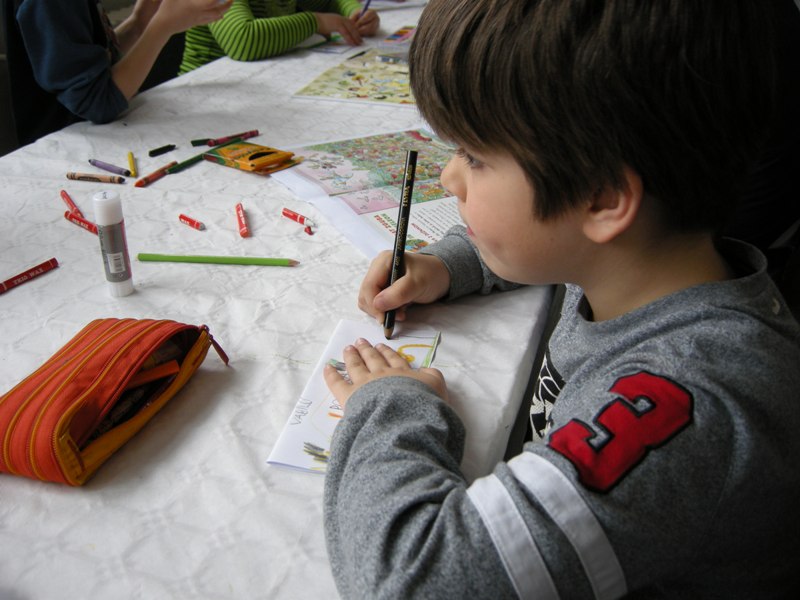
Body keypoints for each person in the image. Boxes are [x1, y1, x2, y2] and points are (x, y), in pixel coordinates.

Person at [322, 0, 800, 598]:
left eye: (475, 156)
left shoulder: (688, 401)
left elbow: (412, 579)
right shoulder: (640, 260)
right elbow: (556, 244)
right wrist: (449, 265)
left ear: (602, 198)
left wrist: (389, 406)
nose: (449, 177)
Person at [3, 0, 232, 146]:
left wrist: (140, 24)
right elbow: (98, 101)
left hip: (96, 139)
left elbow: (94, 66)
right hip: (66, 151)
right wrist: (163, 25)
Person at [178, 0, 380, 74]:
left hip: (262, 85)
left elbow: (328, 3)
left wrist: (355, 12)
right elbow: (243, 40)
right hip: (209, 92)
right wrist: (315, 21)